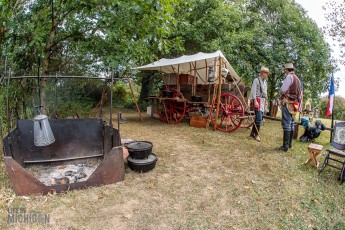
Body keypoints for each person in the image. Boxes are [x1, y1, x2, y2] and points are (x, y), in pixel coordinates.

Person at [278, 63, 302, 151]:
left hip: (288, 102)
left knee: (287, 124)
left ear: (287, 70)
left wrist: (282, 93)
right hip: (295, 104)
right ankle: (290, 144)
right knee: (291, 123)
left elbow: (283, 89)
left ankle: (285, 146)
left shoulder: (289, 77)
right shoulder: (298, 79)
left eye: (285, 70)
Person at [249, 66, 269, 142]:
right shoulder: (256, 80)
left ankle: (252, 133)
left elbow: (265, 92)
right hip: (257, 100)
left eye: (267, 73)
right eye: (266, 73)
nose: (267, 74)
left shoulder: (265, 82)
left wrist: (266, 100)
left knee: (258, 117)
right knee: (259, 118)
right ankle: (256, 135)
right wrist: (255, 101)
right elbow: (253, 91)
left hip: (263, 101)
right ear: (262, 73)